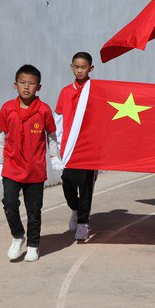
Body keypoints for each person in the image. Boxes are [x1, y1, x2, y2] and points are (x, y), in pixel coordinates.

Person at [0, 64, 61, 262]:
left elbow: (51, 135)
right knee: (9, 204)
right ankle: (17, 236)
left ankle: (33, 245)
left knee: (34, 210)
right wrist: (0, 163)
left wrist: (54, 156)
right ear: (15, 85)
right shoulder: (7, 108)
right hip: (12, 167)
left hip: (35, 169)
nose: (26, 87)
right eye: (22, 83)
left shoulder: (43, 110)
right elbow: (1, 137)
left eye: (31, 84)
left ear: (38, 87)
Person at [55, 52, 98, 241]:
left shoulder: (96, 90)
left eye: (84, 67)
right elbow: (59, 119)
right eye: (77, 67)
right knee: (69, 185)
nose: (80, 70)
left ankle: (83, 222)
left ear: (91, 68)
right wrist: (56, 149)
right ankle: (75, 208)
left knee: (86, 186)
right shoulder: (65, 92)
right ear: (71, 67)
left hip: (89, 148)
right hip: (69, 149)